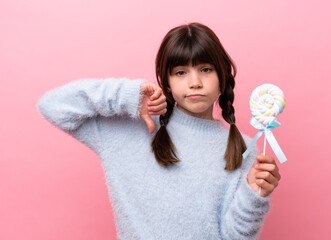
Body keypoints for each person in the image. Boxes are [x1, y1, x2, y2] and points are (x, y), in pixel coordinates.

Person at [37, 22, 281, 240]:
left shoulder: (244, 149)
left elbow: (235, 237)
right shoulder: (131, 128)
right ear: (167, 82)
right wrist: (127, 95)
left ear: (223, 77)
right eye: (181, 72)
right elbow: (53, 106)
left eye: (206, 69)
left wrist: (254, 196)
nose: (194, 81)